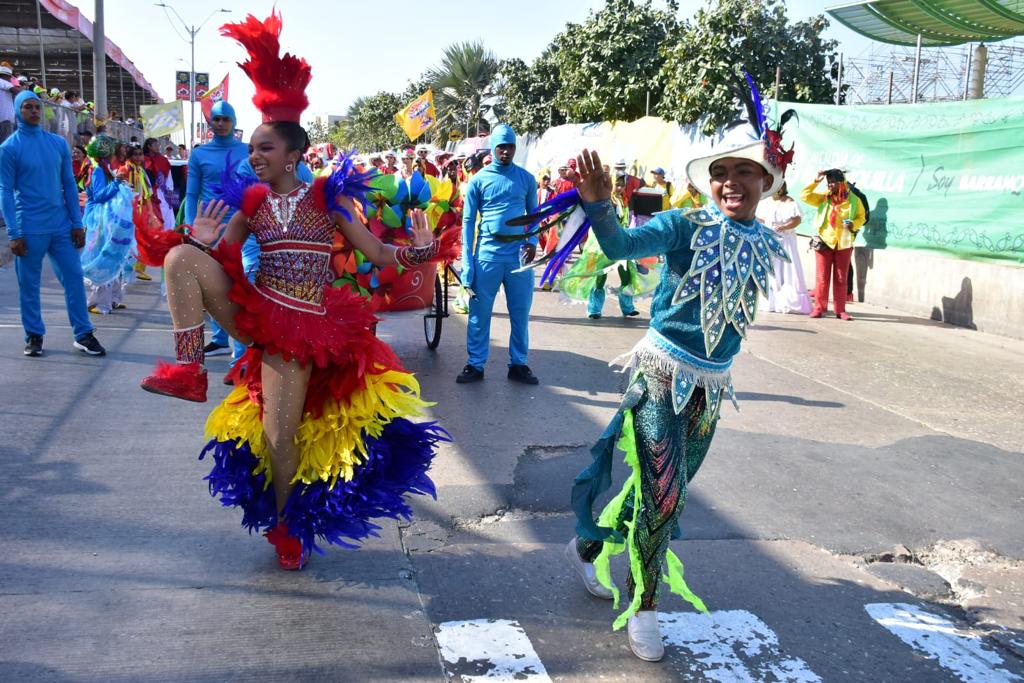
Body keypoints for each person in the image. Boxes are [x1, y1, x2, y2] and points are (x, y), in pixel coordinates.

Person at [136, 10, 449, 570]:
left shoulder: (328, 197)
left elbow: (377, 254)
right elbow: (226, 262)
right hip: (257, 309)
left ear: (295, 154)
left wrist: (423, 251)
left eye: (264, 149)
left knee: (281, 434)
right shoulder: (251, 202)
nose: (253, 157)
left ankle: (287, 527)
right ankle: (188, 371)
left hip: (306, 324)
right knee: (181, 257)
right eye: (253, 149)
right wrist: (202, 240)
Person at [567, 89, 794, 662]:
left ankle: (590, 544)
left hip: (710, 392)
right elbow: (619, 244)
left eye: (747, 173)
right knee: (663, 495)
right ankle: (644, 604)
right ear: (709, 181)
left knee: (664, 493)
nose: (733, 182)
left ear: (765, 182)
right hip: (658, 379)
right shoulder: (682, 224)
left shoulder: (765, 243)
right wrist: (598, 205)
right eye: (723, 173)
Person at [0, 90, 105, 356]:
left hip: (60, 225)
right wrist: (14, 232)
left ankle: (83, 334)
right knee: (29, 285)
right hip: (29, 226)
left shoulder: (57, 144)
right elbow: (5, 191)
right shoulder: (9, 148)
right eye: (28, 107)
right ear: (18, 112)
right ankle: (34, 335)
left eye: (37, 107)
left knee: (73, 277)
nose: (34, 111)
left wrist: (76, 222)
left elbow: (69, 184)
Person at [457, 124, 539, 385]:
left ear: (516, 148)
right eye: (501, 146)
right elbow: (468, 222)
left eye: (510, 146)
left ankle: (519, 363)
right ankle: (475, 364)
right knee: (479, 314)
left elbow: (534, 217)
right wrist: (467, 263)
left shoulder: (527, 179)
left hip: (517, 259)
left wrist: (533, 240)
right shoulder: (479, 180)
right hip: (487, 257)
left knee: (520, 313)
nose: (506, 151)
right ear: (493, 148)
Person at [183, 100, 254, 362]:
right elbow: (191, 195)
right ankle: (220, 339)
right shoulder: (200, 154)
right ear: (210, 122)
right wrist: (192, 229)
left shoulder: (249, 151)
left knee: (242, 284)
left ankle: (241, 354)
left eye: (226, 119)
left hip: (245, 227)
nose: (221, 123)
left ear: (234, 121)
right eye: (217, 119)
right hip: (210, 228)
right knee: (213, 285)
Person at [560, 174, 657, 319]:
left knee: (627, 275)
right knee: (600, 276)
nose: (618, 188)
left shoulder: (622, 201)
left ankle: (627, 307)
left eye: (621, 185)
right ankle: (594, 309)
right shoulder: (604, 200)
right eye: (616, 185)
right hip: (603, 246)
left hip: (621, 243)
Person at [800, 168, 865, 320]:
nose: (830, 185)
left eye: (833, 182)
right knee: (822, 277)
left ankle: (840, 310)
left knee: (841, 278)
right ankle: (819, 308)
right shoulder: (824, 198)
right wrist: (816, 180)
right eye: (828, 183)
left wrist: (853, 224)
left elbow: (861, 217)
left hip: (844, 242)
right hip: (825, 241)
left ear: (841, 183)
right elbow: (804, 196)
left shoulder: (854, 200)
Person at [82, 136, 136, 314]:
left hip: (108, 219)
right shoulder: (98, 170)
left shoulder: (104, 168)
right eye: (114, 149)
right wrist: (116, 182)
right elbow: (99, 196)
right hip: (99, 221)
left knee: (114, 256)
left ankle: (113, 299)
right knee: (103, 257)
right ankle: (100, 302)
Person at [757, 182, 811, 314]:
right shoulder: (766, 202)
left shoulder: (790, 202)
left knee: (788, 270)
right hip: (770, 239)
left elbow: (797, 220)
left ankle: (789, 301)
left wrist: (784, 227)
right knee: (772, 270)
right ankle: (771, 301)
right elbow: (763, 219)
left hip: (785, 240)